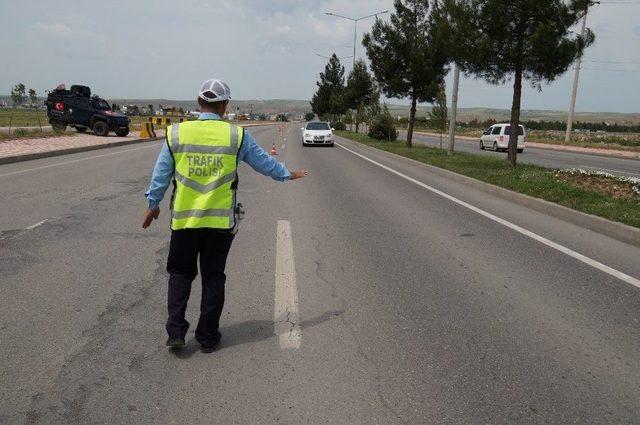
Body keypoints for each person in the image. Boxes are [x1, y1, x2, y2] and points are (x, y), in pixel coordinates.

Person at [142, 79, 308, 353]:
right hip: (219, 224)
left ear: (198, 103)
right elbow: (262, 162)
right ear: (224, 106)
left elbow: (161, 174)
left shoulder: (177, 134)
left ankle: (176, 333)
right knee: (213, 277)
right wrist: (286, 173)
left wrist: (153, 203)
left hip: (185, 222)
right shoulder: (236, 136)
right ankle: (207, 337)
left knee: (180, 275)